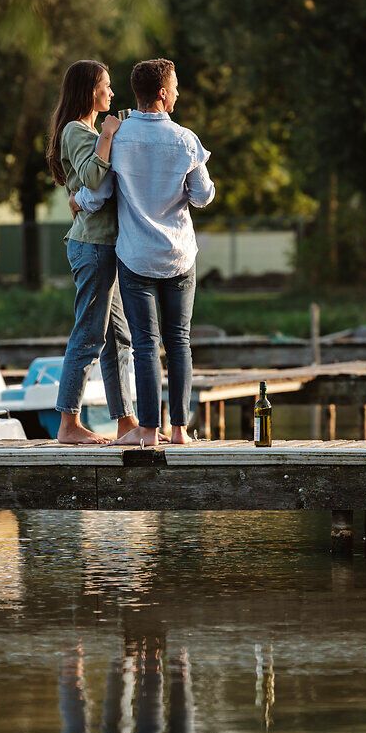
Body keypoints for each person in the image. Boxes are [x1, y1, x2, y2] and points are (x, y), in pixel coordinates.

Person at [104, 58, 214, 446]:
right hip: (179, 256)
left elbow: (100, 192)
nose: (178, 94)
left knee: (145, 346)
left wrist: (78, 200)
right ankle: (180, 430)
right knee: (179, 341)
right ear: (164, 94)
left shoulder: (118, 138)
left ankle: (149, 431)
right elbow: (202, 196)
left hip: (136, 256)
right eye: (177, 88)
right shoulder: (185, 139)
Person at [45, 59, 136, 445]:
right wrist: (110, 134)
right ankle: (68, 424)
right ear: (89, 90)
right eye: (106, 86)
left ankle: (126, 422)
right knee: (89, 334)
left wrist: (112, 134)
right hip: (93, 246)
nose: (111, 93)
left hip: (106, 245)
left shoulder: (90, 131)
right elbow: (93, 177)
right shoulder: (76, 130)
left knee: (119, 338)